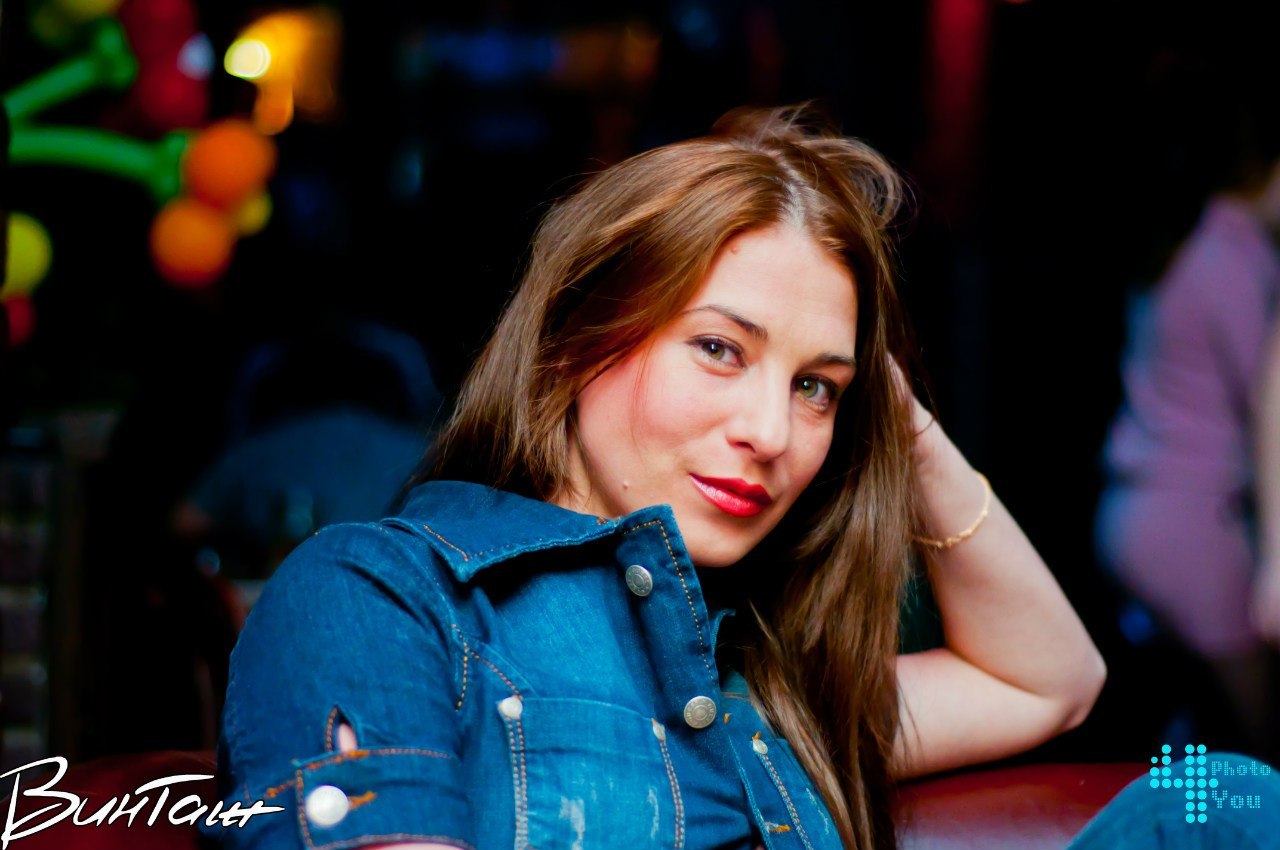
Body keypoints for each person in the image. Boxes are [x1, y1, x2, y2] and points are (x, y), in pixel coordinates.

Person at [202, 105, 1274, 850]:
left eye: (815, 388)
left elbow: (1052, 680)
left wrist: (899, 423)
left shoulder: (766, 683)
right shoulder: (380, 593)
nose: (770, 432)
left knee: (1224, 794)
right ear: (575, 342)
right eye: (718, 348)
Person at [1096, 152, 1280, 762]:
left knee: (1192, 722)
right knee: (1259, 745)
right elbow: (1268, 393)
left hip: (1131, 512)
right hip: (1192, 525)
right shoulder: (1232, 256)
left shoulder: (1182, 244)